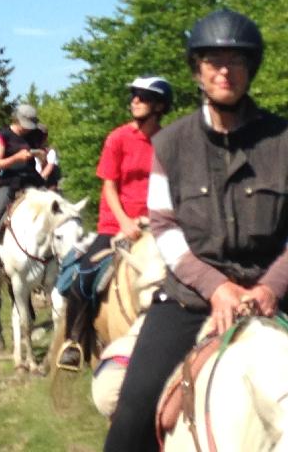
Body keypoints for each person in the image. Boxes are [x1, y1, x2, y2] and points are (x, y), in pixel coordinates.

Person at [104, 9, 288, 452]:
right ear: (197, 70)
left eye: (236, 60)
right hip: (191, 298)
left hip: (287, 294)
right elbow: (164, 225)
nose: (225, 71)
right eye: (213, 61)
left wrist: (272, 286)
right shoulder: (170, 143)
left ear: (251, 69)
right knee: (132, 412)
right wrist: (215, 287)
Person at [57, 75, 173, 369]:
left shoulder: (169, 142)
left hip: (157, 226)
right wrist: (124, 222)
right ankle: (74, 342)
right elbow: (109, 186)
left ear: (159, 105)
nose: (134, 100)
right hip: (116, 225)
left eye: (142, 96)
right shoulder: (118, 138)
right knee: (83, 276)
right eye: (134, 94)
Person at [0, 104, 48, 282]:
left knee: (55, 209)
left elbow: (44, 144)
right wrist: (17, 158)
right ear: (18, 120)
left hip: (32, 181)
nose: (29, 129)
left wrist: (40, 154)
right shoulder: (3, 136)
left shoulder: (34, 135)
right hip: (10, 182)